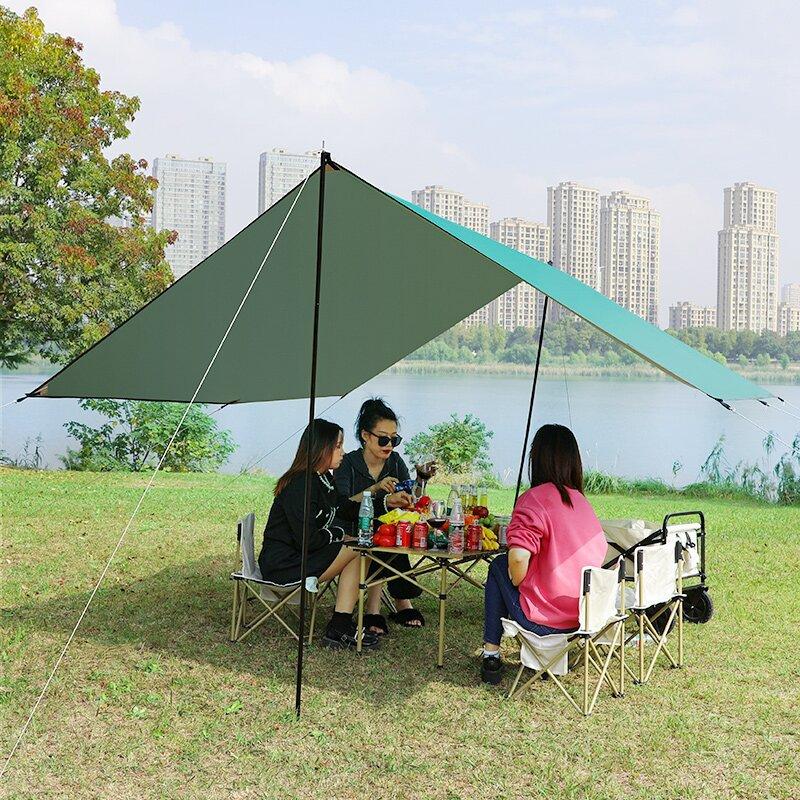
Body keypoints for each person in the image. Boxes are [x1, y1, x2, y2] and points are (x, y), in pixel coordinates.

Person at [480, 424, 607, 684]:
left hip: (546, 622)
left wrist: (516, 580)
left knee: (498, 565)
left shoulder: (534, 499)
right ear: (574, 461)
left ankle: (491, 653)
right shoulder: (581, 501)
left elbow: (518, 557)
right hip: (584, 617)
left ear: (536, 458)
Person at [258, 418, 380, 651]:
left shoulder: (322, 479)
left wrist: (384, 505)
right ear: (321, 448)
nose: (343, 452)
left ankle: (340, 625)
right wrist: (338, 534)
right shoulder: (301, 485)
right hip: (284, 564)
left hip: (301, 554)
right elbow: (308, 539)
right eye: (338, 446)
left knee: (359, 549)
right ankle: (339, 626)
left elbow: (343, 507)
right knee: (358, 549)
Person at [333, 398, 437, 636]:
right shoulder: (347, 463)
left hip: (386, 533)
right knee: (381, 536)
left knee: (389, 533)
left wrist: (421, 480)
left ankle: (384, 606)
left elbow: (411, 499)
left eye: (394, 439)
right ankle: (392, 604)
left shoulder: (395, 462)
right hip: (351, 529)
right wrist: (376, 488)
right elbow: (342, 505)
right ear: (365, 436)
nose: (389, 444)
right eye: (383, 439)